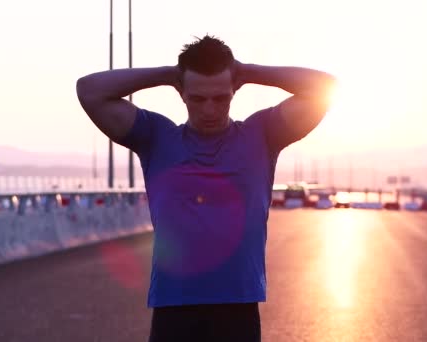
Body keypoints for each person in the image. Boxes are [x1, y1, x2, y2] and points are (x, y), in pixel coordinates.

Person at [76, 35, 336, 342]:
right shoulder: (156, 137)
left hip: (237, 306)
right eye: (198, 98)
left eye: (220, 98)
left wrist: (247, 71)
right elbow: (89, 90)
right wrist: (166, 74)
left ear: (233, 92)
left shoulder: (262, 135)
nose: (210, 109)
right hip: (174, 307)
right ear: (182, 94)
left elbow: (324, 87)